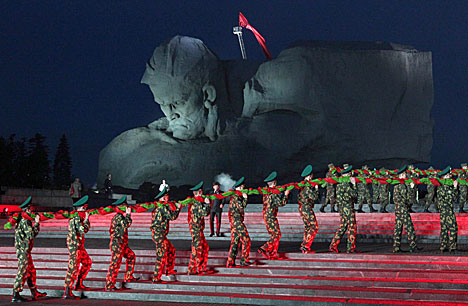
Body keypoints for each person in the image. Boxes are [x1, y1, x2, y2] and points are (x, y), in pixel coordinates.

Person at [11, 196, 47, 302]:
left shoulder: (21, 219)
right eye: (31, 208)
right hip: (23, 250)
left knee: (31, 271)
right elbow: (31, 235)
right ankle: (15, 294)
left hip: (24, 249)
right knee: (22, 271)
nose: (32, 210)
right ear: (28, 209)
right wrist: (36, 223)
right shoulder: (25, 221)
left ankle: (34, 292)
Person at [105, 196, 139, 291]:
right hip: (117, 244)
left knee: (131, 256)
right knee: (115, 264)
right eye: (125, 206)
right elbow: (126, 224)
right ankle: (109, 285)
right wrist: (128, 215)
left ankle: (128, 276)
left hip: (122, 243)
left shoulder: (120, 216)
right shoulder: (118, 216)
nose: (126, 207)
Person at [63, 196, 92, 299]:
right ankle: (67, 291)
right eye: (84, 208)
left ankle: (79, 283)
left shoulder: (76, 216)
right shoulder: (76, 218)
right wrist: (87, 219)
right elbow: (83, 229)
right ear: (82, 208)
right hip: (75, 246)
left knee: (87, 262)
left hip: (78, 245)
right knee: (73, 268)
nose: (85, 210)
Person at [150, 185, 181, 282]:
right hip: (159, 234)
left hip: (159, 234)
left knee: (170, 249)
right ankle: (156, 277)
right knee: (161, 255)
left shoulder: (157, 207)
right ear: (163, 198)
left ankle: (169, 270)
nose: (168, 198)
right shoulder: (162, 207)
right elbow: (172, 217)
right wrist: (178, 209)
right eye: (167, 196)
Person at [258, 171, 290, 260]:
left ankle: (272, 254)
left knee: (274, 235)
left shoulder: (266, 192)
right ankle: (264, 248)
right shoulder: (273, 193)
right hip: (271, 216)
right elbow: (280, 203)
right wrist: (286, 195)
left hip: (266, 215)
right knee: (277, 235)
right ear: (275, 182)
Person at [329, 165, 358, 253]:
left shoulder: (339, 184)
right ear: (348, 174)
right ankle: (350, 248)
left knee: (343, 226)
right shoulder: (346, 184)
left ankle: (333, 245)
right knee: (352, 226)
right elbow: (354, 194)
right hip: (348, 207)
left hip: (341, 208)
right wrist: (354, 185)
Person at [392, 166, 419, 253]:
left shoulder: (400, 185)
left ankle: (396, 247)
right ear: (401, 175)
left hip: (399, 209)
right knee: (409, 227)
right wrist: (411, 189)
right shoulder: (400, 185)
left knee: (398, 228)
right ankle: (413, 246)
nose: (405, 176)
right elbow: (403, 198)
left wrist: (411, 189)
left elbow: (408, 198)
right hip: (402, 208)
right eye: (404, 174)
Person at [226, 177, 252, 267]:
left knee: (235, 242)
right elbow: (241, 207)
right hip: (237, 221)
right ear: (236, 188)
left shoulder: (234, 197)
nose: (242, 190)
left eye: (242, 188)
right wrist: (245, 199)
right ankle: (244, 260)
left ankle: (230, 262)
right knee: (246, 239)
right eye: (240, 188)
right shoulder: (236, 197)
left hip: (234, 222)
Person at [187, 181, 210, 274]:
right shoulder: (197, 203)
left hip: (196, 228)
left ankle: (201, 267)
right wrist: (208, 204)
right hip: (196, 229)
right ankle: (193, 269)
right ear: (200, 192)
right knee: (197, 249)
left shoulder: (195, 202)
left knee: (204, 247)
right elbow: (204, 213)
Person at [297, 165, 319, 253]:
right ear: (310, 176)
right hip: (307, 208)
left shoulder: (302, 185)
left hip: (302, 207)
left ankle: (304, 246)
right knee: (314, 227)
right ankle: (305, 246)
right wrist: (316, 189)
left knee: (307, 227)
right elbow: (314, 197)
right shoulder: (308, 185)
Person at [436, 167, 458, 252]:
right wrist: (455, 187)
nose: (450, 177)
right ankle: (452, 247)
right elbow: (451, 198)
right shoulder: (444, 187)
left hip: (444, 211)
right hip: (447, 210)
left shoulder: (444, 187)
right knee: (453, 227)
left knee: (444, 228)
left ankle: (443, 246)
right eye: (448, 175)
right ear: (445, 177)